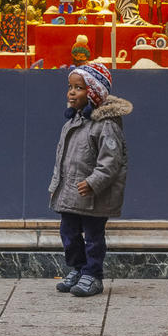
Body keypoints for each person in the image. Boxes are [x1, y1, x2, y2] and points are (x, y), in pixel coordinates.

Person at [48, 62, 132, 297]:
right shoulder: (72, 123)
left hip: (94, 195)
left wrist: (94, 182)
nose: (71, 92)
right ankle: (77, 268)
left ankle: (93, 274)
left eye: (79, 88)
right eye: (70, 86)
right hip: (70, 192)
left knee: (93, 236)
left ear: (93, 93)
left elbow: (111, 161)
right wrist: (56, 185)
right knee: (68, 233)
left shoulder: (105, 125)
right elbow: (63, 159)